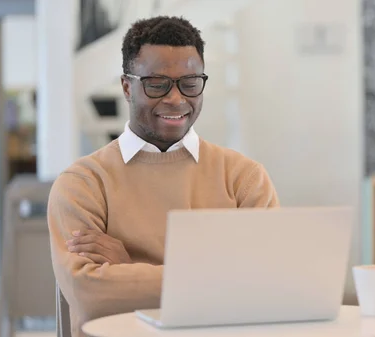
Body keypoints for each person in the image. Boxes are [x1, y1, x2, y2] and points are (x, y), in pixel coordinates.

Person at [47, 16, 279, 337]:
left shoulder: (244, 179)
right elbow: (90, 293)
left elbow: (269, 285)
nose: (176, 98)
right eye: (157, 83)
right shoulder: (83, 183)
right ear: (127, 87)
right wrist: (219, 279)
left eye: (190, 82)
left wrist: (127, 270)